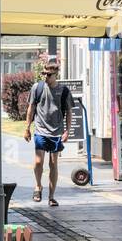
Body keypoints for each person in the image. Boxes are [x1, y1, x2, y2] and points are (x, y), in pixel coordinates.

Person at [25, 60, 72, 207]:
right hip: (40, 130)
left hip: (56, 132)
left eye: (48, 74)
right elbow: (31, 108)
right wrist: (27, 127)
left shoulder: (64, 91)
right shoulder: (37, 88)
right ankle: (38, 186)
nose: (45, 76)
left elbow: (69, 111)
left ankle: (51, 196)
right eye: (43, 73)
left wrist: (67, 131)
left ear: (55, 75)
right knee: (39, 161)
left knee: (53, 164)